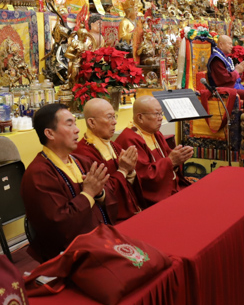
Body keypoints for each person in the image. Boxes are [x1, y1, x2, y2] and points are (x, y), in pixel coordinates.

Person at [21, 102, 109, 261]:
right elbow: (59, 225)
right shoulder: (39, 174)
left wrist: (99, 192)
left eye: (75, 123)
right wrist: (88, 193)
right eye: (69, 124)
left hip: (100, 237)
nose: (77, 129)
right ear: (50, 133)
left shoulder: (82, 161)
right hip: (71, 255)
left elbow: (109, 200)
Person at [115, 94, 194, 207]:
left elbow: (168, 156)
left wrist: (178, 159)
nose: (161, 118)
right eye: (156, 114)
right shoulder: (130, 139)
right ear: (140, 117)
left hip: (168, 187)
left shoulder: (155, 134)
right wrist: (171, 161)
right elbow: (142, 177)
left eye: (161, 113)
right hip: (151, 199)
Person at [74, 98, 143, 222]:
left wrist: (131, 171)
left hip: (132, 211)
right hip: (111, 221)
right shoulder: (83, 153)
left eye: (114, 116)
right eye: (109, 117)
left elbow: (129, 181)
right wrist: (123, 171)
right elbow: (101, 192)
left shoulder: (113, 145)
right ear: (92, 122)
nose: (115, 122)